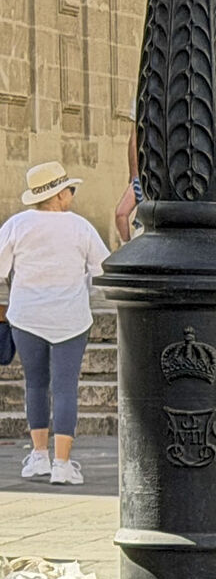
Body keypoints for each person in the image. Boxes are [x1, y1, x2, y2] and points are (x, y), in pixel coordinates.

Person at [0, 162, 108, 486]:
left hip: (26, 316)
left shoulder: (16, 225)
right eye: (70, 191)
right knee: (64, 387)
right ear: (59, 194)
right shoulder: (81, 228)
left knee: (34, 384)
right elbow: (103, 270)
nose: (72, 196)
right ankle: (62, 462)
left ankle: (38, 456)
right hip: (71, 318)